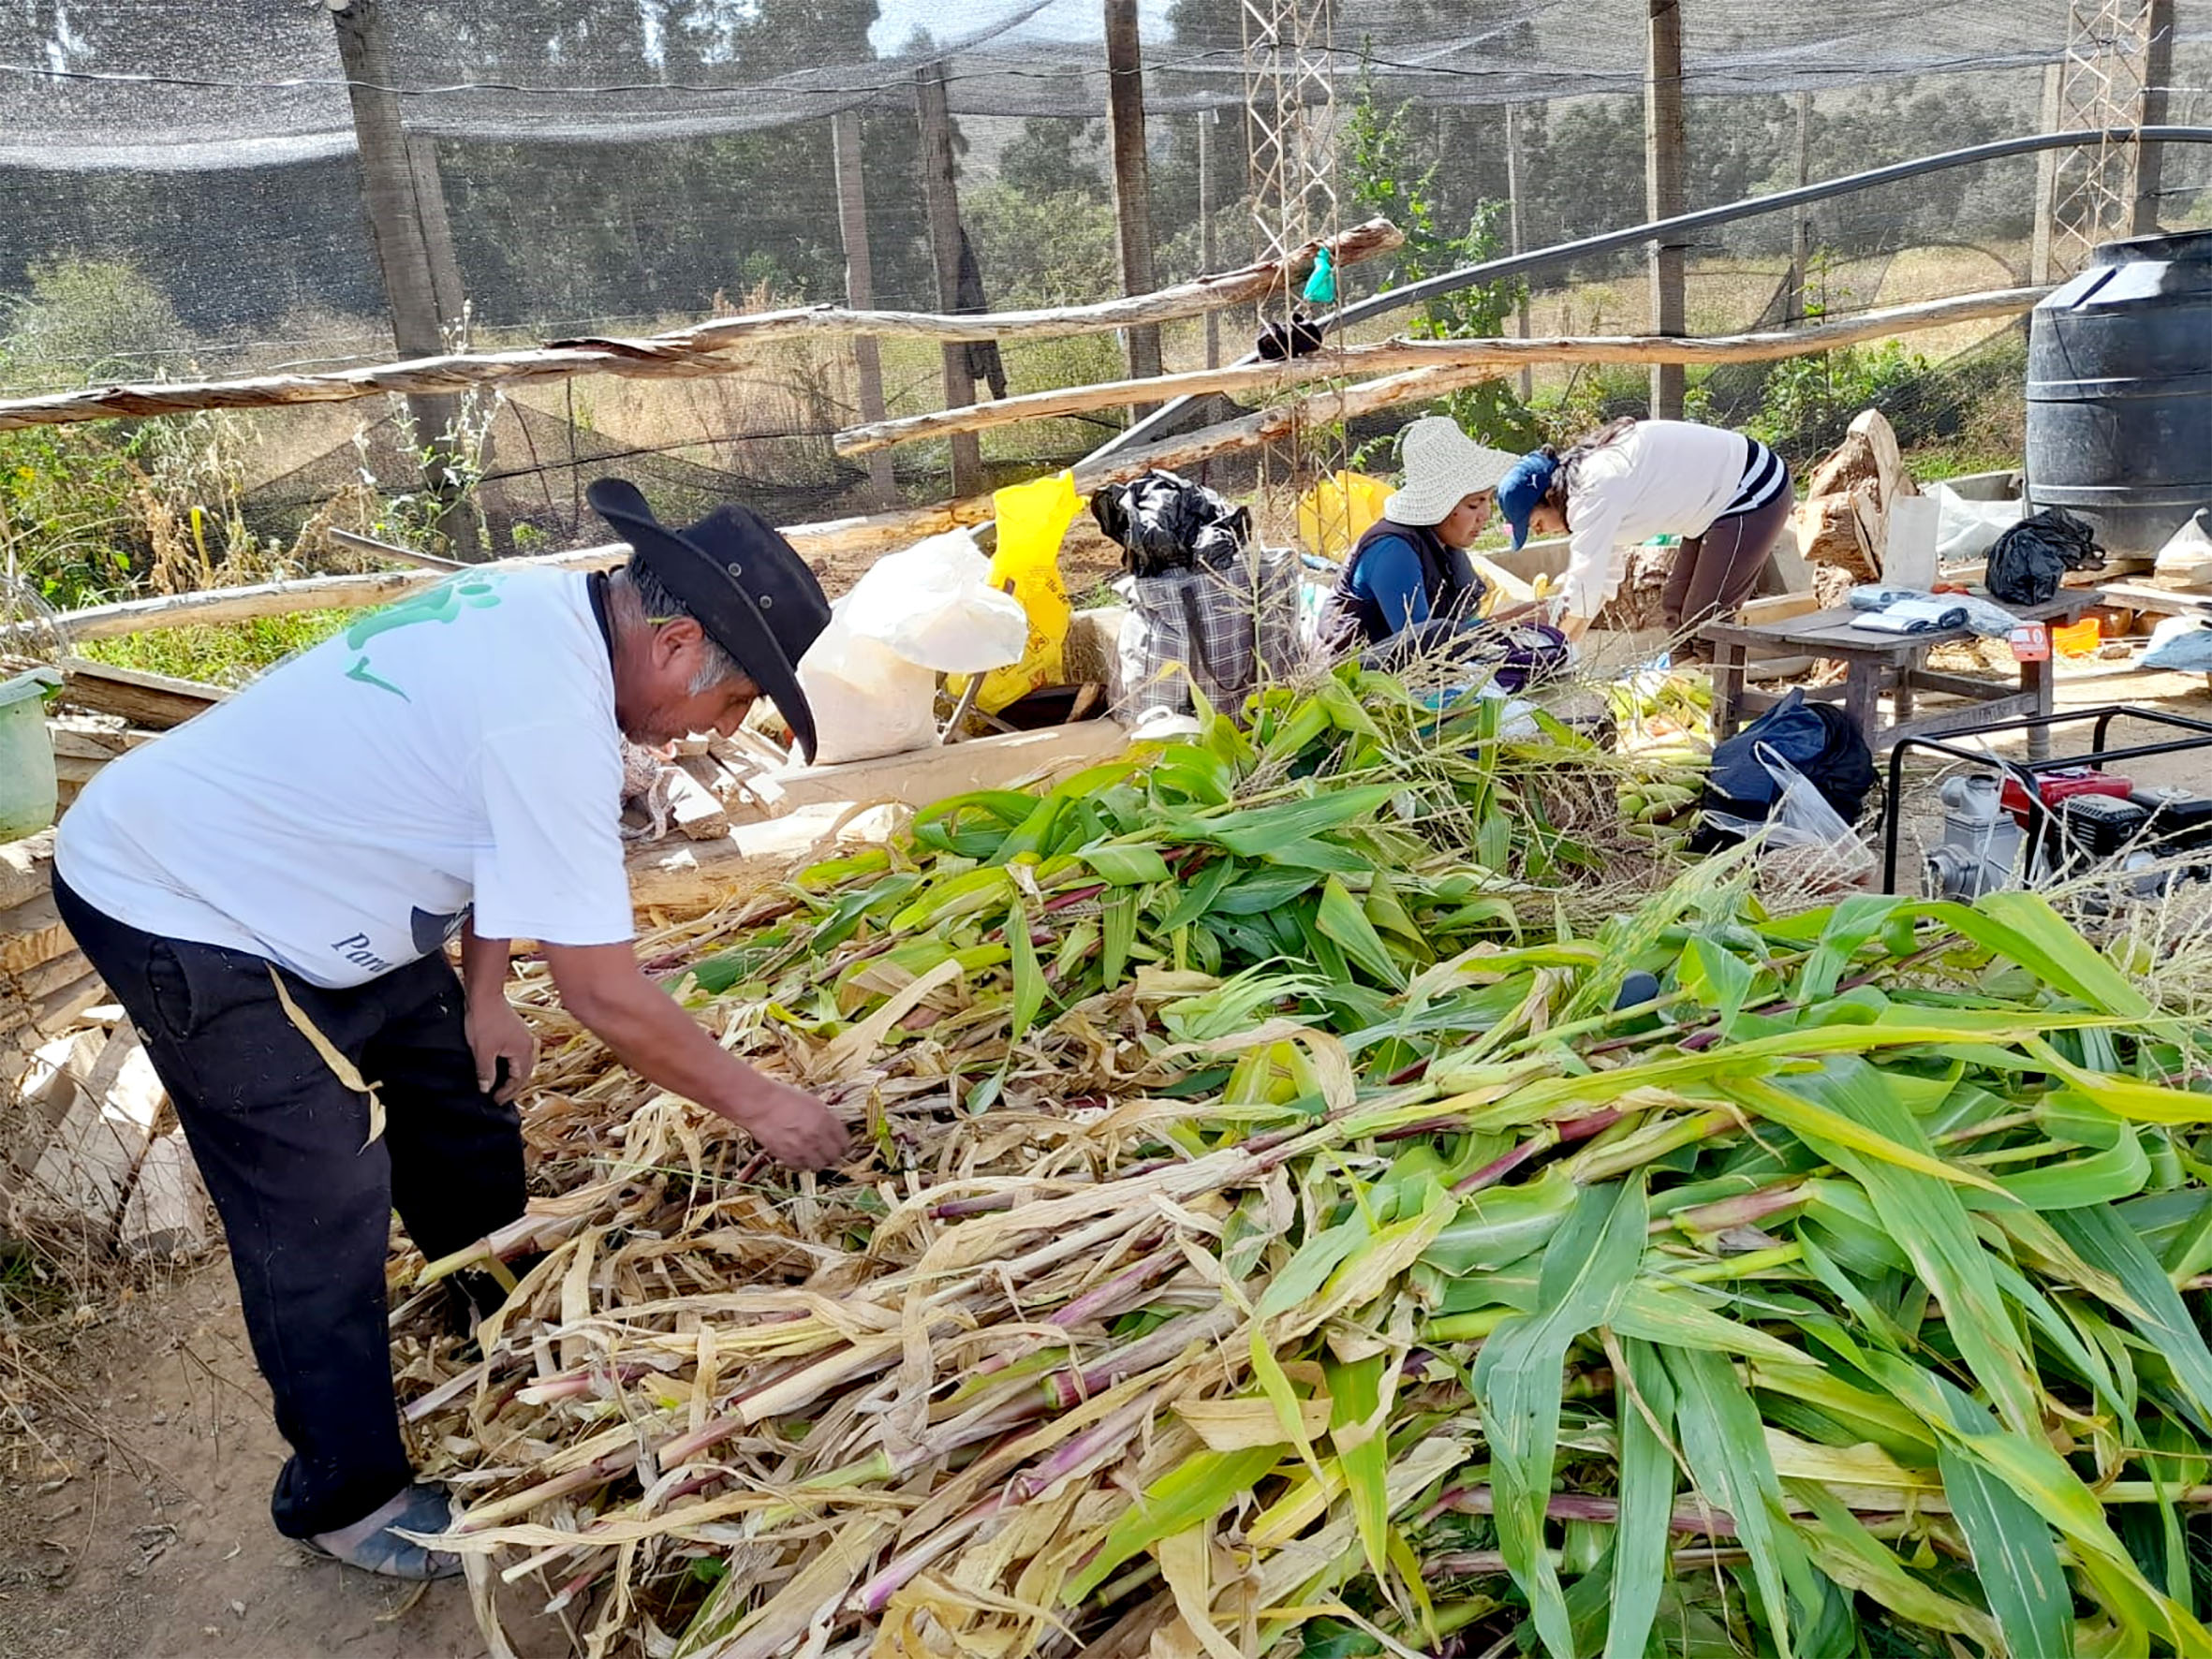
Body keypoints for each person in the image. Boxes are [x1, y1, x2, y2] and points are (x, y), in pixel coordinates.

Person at [50, 478, 850, 1581]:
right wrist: (766, 1104)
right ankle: (346, 1493)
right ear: (673, 642)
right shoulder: (551, 715)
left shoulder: (540, 617)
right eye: (735, 704)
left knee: (462, 1097)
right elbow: (608, 994)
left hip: (317, 886)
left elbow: (482, 823)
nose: (721, 732)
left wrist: (483, 991)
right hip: (182, 895)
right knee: (318, 1185)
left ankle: (502, 1317)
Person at [1495, 417, 1792, 653]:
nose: (1545, 533)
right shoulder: (1587, 486)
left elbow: (1583, 586)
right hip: (1715, 506)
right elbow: (1599, 582)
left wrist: (1553, 649)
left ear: (1549, 495)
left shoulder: (1593, 489)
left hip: (1753, 491)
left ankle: (1723, 715)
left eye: (1538, 525)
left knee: (1704, 624)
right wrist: (1566, 648)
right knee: (1675, 612)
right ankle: (1686, 696)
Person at [1317, 415, 1521, 660]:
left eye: (1487, 500)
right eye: (1474, 504)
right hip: (1357, 684)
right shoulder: (1394, 551)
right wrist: (1509, 620)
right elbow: (1420, 646)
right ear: (1439, 506)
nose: (1485, 515)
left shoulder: (1445, 545)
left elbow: (1460, 624)